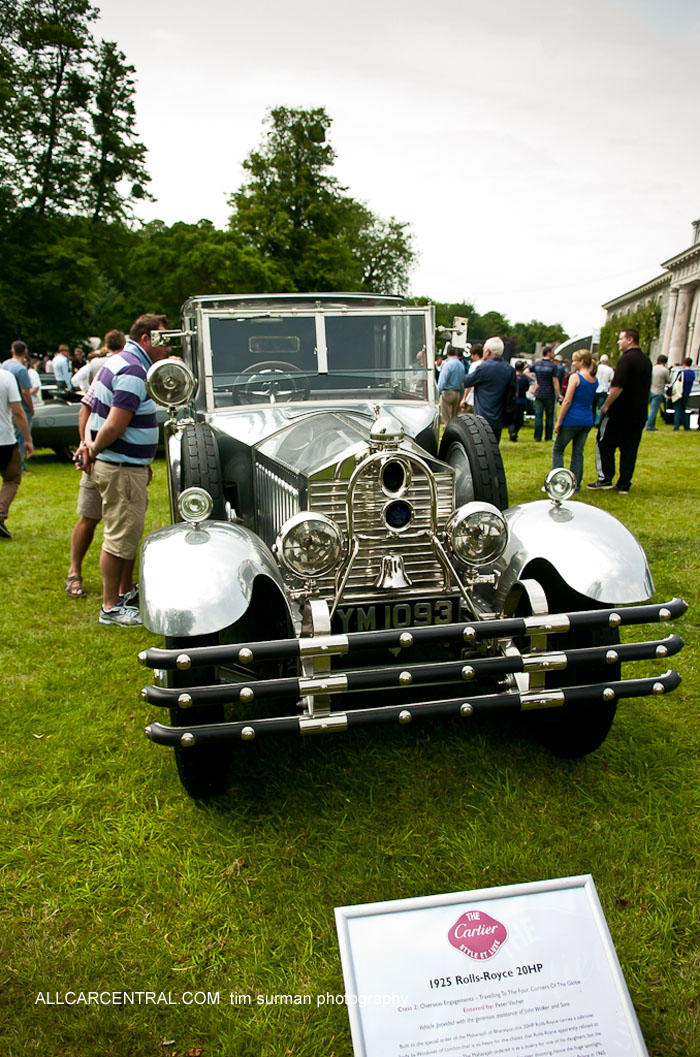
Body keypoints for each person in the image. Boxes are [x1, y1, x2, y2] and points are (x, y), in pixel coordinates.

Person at [76, 313, 170, 626]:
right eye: (162, 340)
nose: (167, 348)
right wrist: (95, 449)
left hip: (123, 465)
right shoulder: (132, 369)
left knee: (124, 534)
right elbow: (115, 425)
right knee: (118, 537)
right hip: (119, 467)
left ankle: (123, 593)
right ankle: (111, 607)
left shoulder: (117, 361)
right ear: (146, 339)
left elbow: (94, 411)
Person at [588, 328, 651, 494]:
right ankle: (624, 483)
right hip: (639, 412)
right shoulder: (646, 360)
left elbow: (617, 386)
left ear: (630, 340)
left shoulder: (626, 360)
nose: (618, 342)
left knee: (604, 442)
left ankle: (605, 478)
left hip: (620, 411)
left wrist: (606, 405)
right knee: (630, 448)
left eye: (621, 338)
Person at [551, 350, 598, 489]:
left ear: (581, 361)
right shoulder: (594, 379)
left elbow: (567, 401)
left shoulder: (575, 377)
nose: (573, 363)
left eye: (575, 360)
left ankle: (559, 483)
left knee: (558, 449)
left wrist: (559, 421)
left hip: (572, 419)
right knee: (578, 453)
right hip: (587, 419)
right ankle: (575, 485)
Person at [461, 336, 516, 443]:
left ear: (487, 352)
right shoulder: (509, 369)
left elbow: (467, 382)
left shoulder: (484, 367)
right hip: (499, 416)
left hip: (482, 416)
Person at [0, 369, 33, 538]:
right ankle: (0, 513)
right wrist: (27, 439)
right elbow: (18, 412)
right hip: (4, 439)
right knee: (12, 478)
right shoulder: (6, 377)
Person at [2, 340, 34, 471]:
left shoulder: (5, 365)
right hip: (20, 407)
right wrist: (31, 408)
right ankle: (20, 467)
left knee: (12, 435)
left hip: (5, 406)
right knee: (21, 437)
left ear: (12, 351)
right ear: (25, 352)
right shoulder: (21, 370)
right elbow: (26, 392)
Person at [531, 345, 561, 442]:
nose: (554, 354)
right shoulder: (553, 366)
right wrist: (559, 393)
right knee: (549, 416)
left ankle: (537, 437)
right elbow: (555, 381)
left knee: (538, 416)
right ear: (548, 353)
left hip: (539, 393)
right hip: (549, 393)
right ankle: (548, 437)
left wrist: (535, 380)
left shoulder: (537, 364)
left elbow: (526, 371)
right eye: (552, 352)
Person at [437, 344, 466, 425]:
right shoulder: (461, 364)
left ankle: (446, 436)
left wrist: (438, 393)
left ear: (447, 352)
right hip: (457, 393)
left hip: (447, 393)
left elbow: (442, 381)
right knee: (453, 420)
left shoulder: (447, 364)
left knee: (446, 420)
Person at [508, 360, 532, 441]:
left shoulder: (512, 377)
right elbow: (527, 388)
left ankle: (511, 432)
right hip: (522, 400)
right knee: (519, 419)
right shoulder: (525, 379)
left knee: (511, 418)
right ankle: (515, 432)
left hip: (513, 401)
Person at [645, 354, 669, 431]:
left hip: (650, 390)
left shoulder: (652, 368)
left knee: (648, 408)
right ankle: (650, 426)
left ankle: (648, 423)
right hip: (658, 391)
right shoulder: (665, 370)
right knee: (654, 410)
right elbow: (668, 380)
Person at [673, 358, 695, 431]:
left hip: (680, 392)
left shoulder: (681, 372)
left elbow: (676, 381)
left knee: (677, 409)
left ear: (684, 363)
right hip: (687, 392)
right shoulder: (692, 373)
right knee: (684, 409)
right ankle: (686, 426)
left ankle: (676, 426)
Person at [460, 344, 483, 412]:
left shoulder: (474, 365)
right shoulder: (487, 365)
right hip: (482, 401)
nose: (471, 357)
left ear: (476, 354)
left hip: (471, 399)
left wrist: (464, 398)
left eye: (472, 354)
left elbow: (470, 383)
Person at [594, 354, 614, 422]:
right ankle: (598, 421)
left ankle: (593, 420)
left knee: (593, 406)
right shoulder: (610, 369)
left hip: (596, 389)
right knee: (601, 407)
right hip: (604, 389)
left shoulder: (597, 368)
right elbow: (612, 380)